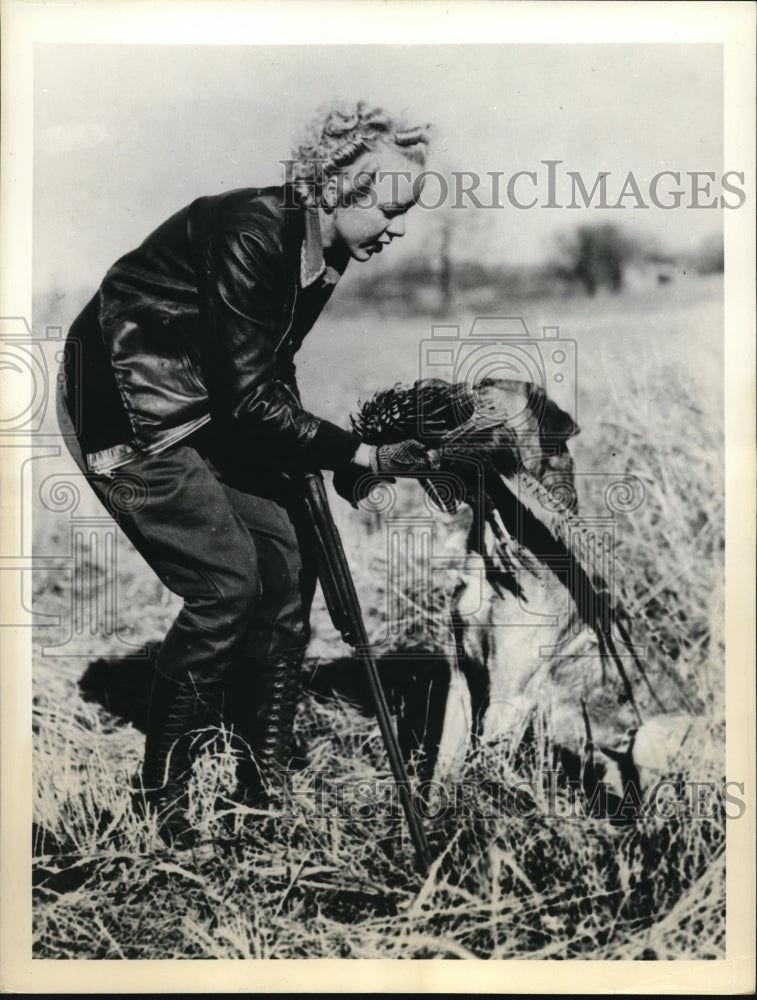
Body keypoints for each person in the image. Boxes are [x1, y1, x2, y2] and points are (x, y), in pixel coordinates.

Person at [57, 101, 439, 845]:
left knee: (287, 568)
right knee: (227, 581)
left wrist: (328, 462)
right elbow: (248, 395)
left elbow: (268, 369)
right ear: (336, 187)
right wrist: (353, 453)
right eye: (391, 207)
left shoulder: (321, 251)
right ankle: (159, 801)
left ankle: (262, 785)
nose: (398, 227)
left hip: (209, 403)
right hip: (130, 408)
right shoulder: (255, 231)